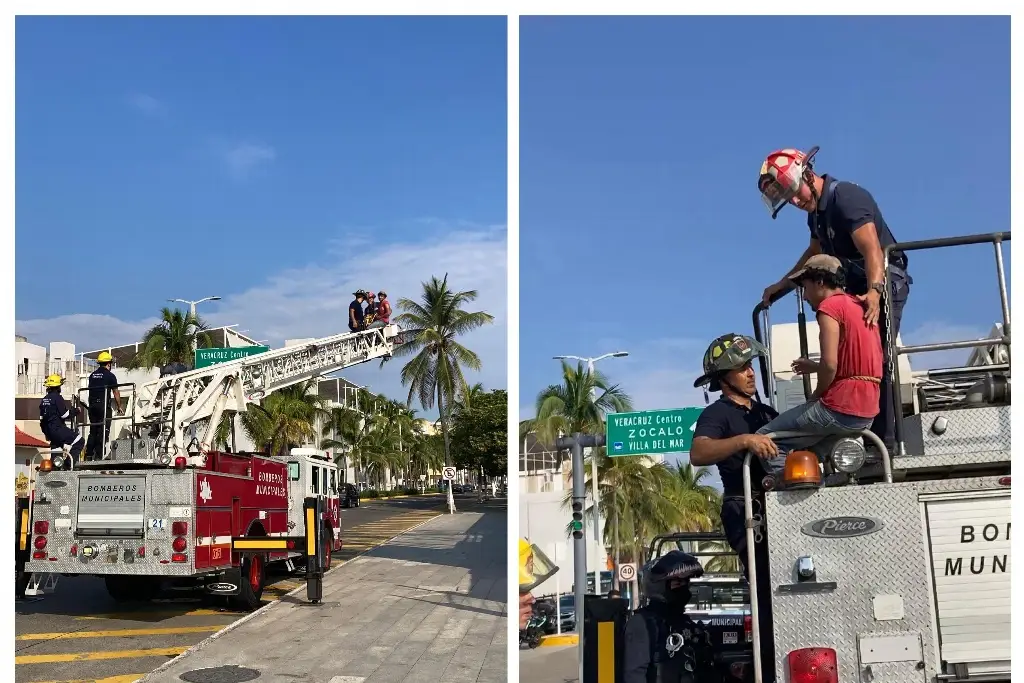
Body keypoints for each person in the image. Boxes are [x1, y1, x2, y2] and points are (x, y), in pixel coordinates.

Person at [757, 147, 911, 456]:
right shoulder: (815, 216)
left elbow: (872, 251)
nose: (797, 202)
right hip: (854, 284)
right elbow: (813, 255)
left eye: (796, 193)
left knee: (877, 357)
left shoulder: (847, 198)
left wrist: (875, 292)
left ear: (808, 175)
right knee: (848, 357)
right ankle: (858, 435)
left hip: (882, 279)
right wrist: (782, 285)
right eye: (789, 200)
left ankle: (886, 444)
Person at [688, 333, 778, 682]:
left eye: (751, 366)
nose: (751, 374)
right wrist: (744, 440)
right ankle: (767, 668)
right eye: (742, 369)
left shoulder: (766, 412)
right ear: (725, 378)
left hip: (776, 506)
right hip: (744, 510)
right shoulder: (717, 413)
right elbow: (698, 453)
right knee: (765, 589)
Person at [757, 254, 883, 475]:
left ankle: (786, 490)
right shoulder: (860, 306)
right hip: (867, 412)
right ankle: (814, 490)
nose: (804, 296)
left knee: (764, 439)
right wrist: (815, 367)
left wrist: (816, 395)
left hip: (841, 407)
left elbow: (831, 365)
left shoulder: (829, 307)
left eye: (805, 288)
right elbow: (856, 365)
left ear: (820, 282)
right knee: (809, 454)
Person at [621, 551, 716, 683]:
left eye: (686, 582)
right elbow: (634, 675)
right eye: (677, 583)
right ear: (658, 586)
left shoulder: (684, 622)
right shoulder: (642, 623)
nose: (684, 588)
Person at [85, 351, 124, 462]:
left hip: (92, 407)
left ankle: (88, 454)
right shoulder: (110, 376)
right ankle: (98, 455)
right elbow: (116, 392)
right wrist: (119, 406)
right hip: (103, 406)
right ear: (108, 364)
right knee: (103, 431)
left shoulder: (92, 376)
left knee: (93, 431)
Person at [39, 375, 84, 468]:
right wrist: (76, 411)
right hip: (57, 429)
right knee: (79, 441)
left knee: (57, 447)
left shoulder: (44, 400)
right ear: (58, 386)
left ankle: (56, 467)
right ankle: (68, 464)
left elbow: (42, 418)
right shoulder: (57, 397)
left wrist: (47, 432)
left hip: (48, 431)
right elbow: (65, 415)